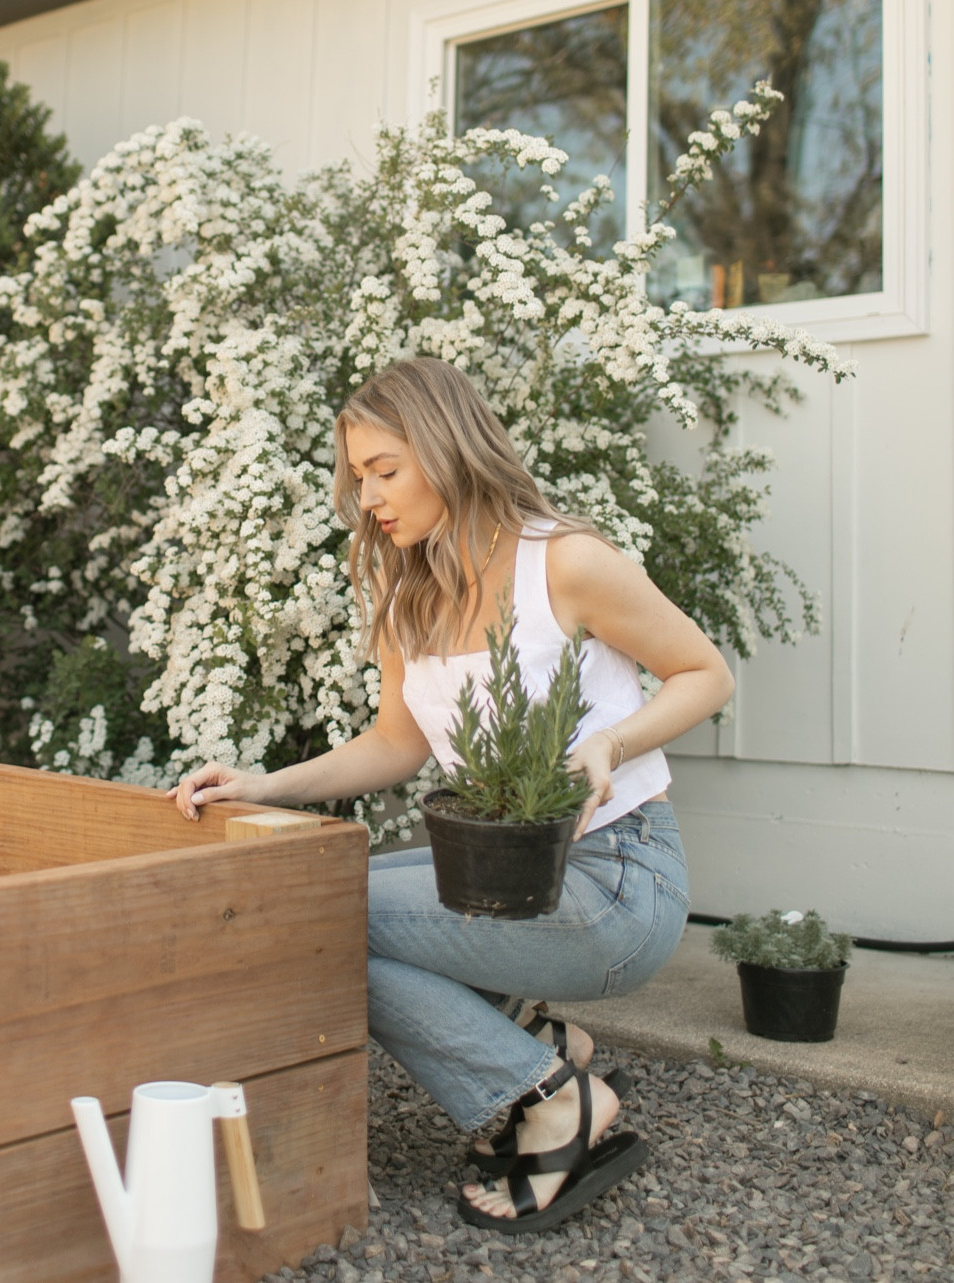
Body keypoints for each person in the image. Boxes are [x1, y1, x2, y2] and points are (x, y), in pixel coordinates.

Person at [171, 355, 733, 1235]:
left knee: (319, 920)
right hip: (496, 873)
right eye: (358, 478)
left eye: (384, 471)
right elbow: (396, 744)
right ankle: (532, 1047)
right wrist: (262, 783)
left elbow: (705, 671)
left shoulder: (568, 563)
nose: (368, 499)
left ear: (447, 449)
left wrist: (608, 742)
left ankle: (548, 1099)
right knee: (309, 906)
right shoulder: (408, 595)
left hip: (617, 878)